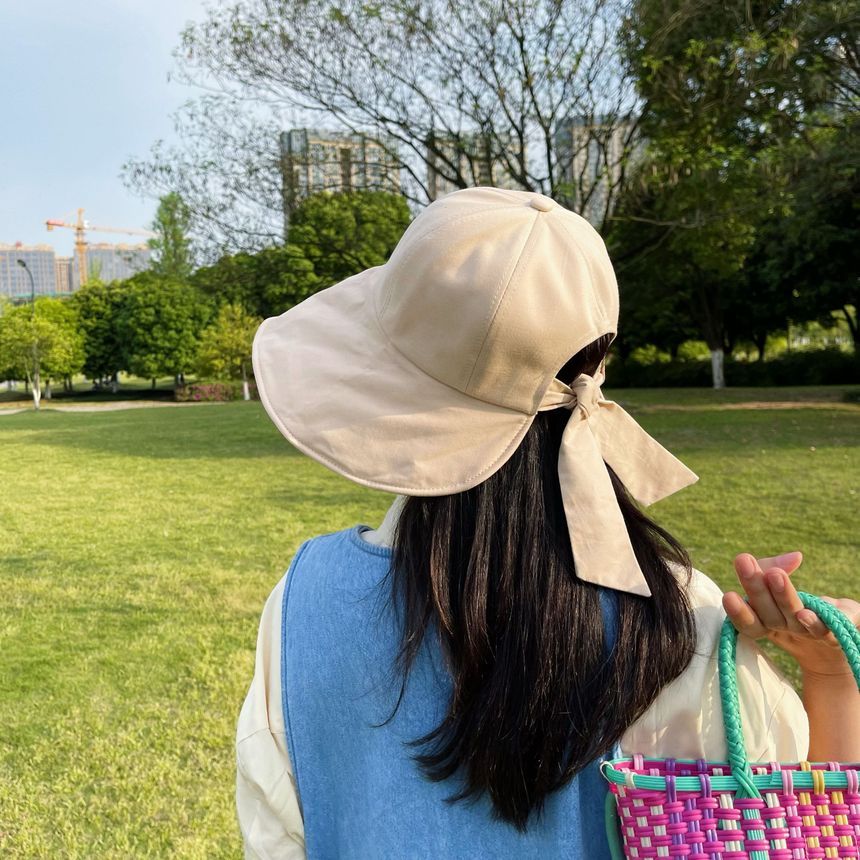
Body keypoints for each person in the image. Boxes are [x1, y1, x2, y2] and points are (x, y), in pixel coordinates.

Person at [236, 187, 860, 859]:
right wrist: (832, 678)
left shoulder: (302, 605)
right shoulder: (685, 624)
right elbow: (802, 839)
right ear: (598, 365)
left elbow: (276, 836)